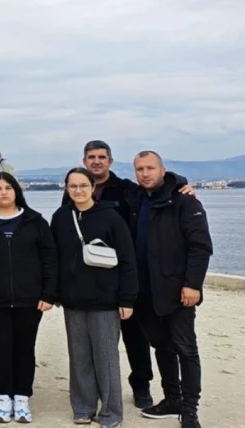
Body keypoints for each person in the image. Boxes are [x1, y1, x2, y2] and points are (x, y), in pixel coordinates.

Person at [64, 140, 194, 410]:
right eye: (91, 157)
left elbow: (156, 188)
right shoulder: (73, 191)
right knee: (95, 345)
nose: (96, 161)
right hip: (91, 281)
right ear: (85, 161)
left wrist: (182, 184)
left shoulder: (126, 190)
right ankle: (95, 392)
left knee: (136, 337)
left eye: (102, 157)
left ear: (110, 161)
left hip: (126, 273)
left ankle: (141, 387)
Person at [129, 151, 211, 428]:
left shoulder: (184, 200)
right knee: (161, 347)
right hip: (146, 292)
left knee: (186, 349)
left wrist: (192, 285)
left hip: (178, 291)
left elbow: (200, 247)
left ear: (162, 170)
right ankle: (172, 398)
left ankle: (190, 409)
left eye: (150, 168)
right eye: (139, 169)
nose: (145, 173)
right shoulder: (138, 199)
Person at [51, 168, 137, 428]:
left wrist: (127, 299)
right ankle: (83, 407)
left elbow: (127, 259)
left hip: (105, 301)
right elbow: (54, 258)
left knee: (106, 357)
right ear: (66, 188)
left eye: (83, 185)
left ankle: (111, 412)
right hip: (73, 301)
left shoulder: (110, 217)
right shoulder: (60, 217)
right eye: (73, 186)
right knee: (79, 357)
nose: (78, 190)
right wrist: (55, 292)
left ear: (92, 187)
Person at [0, 172, 58, 424]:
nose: (4, 192)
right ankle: (2, 399)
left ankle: (22, 399)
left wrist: (48, 293)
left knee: (24, 349)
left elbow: (50, 260)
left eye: (9, 188)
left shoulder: (35, 221)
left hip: (30, 300)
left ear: (17, 191)